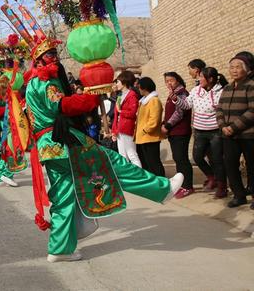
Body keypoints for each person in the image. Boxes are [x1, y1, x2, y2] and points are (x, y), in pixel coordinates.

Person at [25, 40, 182, 263]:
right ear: (39, 60)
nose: (55, 58)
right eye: (49, 55)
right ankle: (161, 189)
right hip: (63, 141)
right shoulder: (45, 81)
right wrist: (91, 95)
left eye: (54, 53)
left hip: (48, 148)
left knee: (63, 196)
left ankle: (59, 248)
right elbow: (63, 106)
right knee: (112, 162)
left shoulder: (32, 84)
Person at [176, 67, 227, 198]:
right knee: (197, 157)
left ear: (210, 79)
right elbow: (187, 105)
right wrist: (176, 100)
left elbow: (223, 110)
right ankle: (212, 177)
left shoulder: (221, 91)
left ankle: (222, 186)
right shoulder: (195, 90)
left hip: (216, 131)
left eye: (201, 77)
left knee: (217, 160)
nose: (199, 79)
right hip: (199, 131)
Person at [216, 52, 254, 209]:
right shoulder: (227, 88)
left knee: (252, 165)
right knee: (230, 164)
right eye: (231, 67)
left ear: (246, 69)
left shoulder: (251, 86)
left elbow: (253, 110)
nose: (234, 70)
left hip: (248, 134)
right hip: (228, 135)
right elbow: (219, 109)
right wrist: (223, 126)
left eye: (238, 67)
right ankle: (239, 195)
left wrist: (233, 127)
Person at [162, 72, 194, 198]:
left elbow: (179, 113)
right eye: (167, 81)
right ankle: (183, 184)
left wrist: (167, 125)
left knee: (182, 159)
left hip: (181, 131)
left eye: (171, 80)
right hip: (174, 131)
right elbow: (169, 113)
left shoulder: (182, 93)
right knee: (178, 158)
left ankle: (187, 186)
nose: (169, 83)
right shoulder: (173, 94)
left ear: (178, 80)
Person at [135, 77, 166, 177]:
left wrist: (145, 130)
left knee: (154, 163)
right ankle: (155, 184)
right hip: (144, 137)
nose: (139, 89)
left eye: (140, 87)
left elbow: (154, 120)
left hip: (150, 137)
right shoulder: (144, 101)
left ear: (145, 88)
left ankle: (162, 183)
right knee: (148, 163)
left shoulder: (154, 101)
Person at [111, 71, 142, 167]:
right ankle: (130, 178)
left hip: (127, 128)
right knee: (123, 156)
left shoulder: (132, 95)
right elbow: (116, 116)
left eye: (118, 82)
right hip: (120, 129)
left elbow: (133, 113)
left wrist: (121, 111)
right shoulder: (120, 96)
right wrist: (114, 131)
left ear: (124, 82)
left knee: (132, 154)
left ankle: (140, 177)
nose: (116, 84)